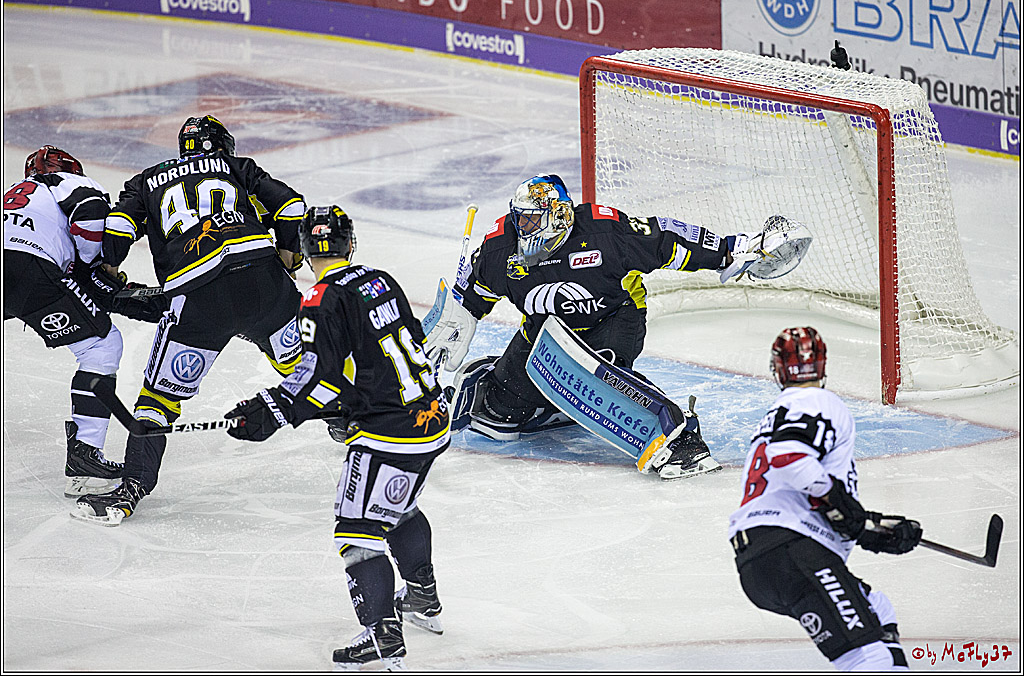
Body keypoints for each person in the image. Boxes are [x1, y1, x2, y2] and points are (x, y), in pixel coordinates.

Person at [425, 173, 778, 480]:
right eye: (520, 218)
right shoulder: (500, 248)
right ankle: (540, 395)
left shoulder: (604, 232)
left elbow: (667, 239)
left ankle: (677, 433)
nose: (522, 228)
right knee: (499, 416)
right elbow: (475, 294)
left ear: (560, 216)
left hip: (613, 320)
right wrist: (461, 314)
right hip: (546, 335)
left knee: (595, 374)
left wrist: (731, 250)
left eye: (532, 220)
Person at [224, 205, 450, 671]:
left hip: (390, 433)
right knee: (398, 505)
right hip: (430, 419)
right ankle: (423, 599)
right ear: (351, 244)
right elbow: (385, 355)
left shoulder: (320, 299)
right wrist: (348, 405)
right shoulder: (382, 279)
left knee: (357, 531)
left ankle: (382, 638)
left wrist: (269, 411)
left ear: (306, 253)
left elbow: (319, 378)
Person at [71, 115, 307, 526]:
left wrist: (110, 265)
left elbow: (118, 226)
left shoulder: (146, 181)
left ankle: (130, 491)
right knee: (309, 368)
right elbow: (292, 207)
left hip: (199, 298)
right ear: (222, 145)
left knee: (159, 401)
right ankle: (360, 420)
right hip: (263, 282)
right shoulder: (236, 167)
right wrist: (288, 252)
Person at [728, 327, 921, 671]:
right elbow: (790, 457)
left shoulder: (774, 417)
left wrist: (868, 526)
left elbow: (805, 493)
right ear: (822, 365)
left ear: (778, 368)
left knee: (877, 609)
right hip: (792, 549)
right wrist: (841, 504)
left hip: (762, 558)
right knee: (869, 657)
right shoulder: (815, 401)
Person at [3, 145, 162, 497]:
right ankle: (85, 456)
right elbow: (90, 213)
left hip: (19, 266)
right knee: (102, 345)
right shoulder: (70, 182)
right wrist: (96, 264)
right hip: (31, 269)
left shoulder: (16, 196)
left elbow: (81, 288)